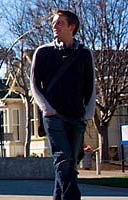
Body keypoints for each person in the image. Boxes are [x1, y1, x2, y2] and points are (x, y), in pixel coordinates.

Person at [30, 10, 96, 200]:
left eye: (59, 23)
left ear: (71, 27)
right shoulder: (43, 52)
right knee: (63, 158)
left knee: (71, 163)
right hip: (53, 117)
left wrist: (87, 114)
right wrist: (47, 109)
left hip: (77, 116)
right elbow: (34, 85)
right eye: (54, 23)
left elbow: (91, 85)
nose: (54, 26)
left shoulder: (84, 53)